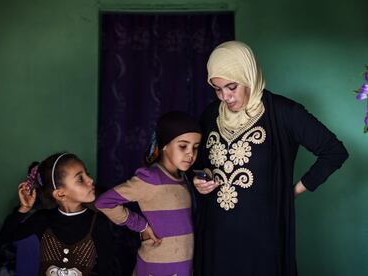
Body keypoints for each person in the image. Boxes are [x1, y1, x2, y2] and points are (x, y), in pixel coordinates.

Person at [192, 41, 348, 276]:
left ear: (249, 75)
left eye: (232, 86)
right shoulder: (210, 115)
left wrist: (292, 191)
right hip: (217, 235)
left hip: (261, 237)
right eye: (217, 88)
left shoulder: (283, 112)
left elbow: (334, 151)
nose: (225, 96)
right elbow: (200, 162)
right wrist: (202, 182)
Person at [95, 111, 202, 276]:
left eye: (195, 147)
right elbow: (104, 202)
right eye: (183, 146)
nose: (190, 153)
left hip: (183, 267)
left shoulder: (184, 178)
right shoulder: (150, 178)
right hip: (157, 268)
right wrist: (140, 225)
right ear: (164, 144)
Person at [0, 152, 117, 275]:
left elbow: (106, 269)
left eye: (87, 174)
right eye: (80, 178)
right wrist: (24, 208)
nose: (90, 180)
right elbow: (4, 238)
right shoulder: (42, 219)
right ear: (60, 194)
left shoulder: (98, 222)